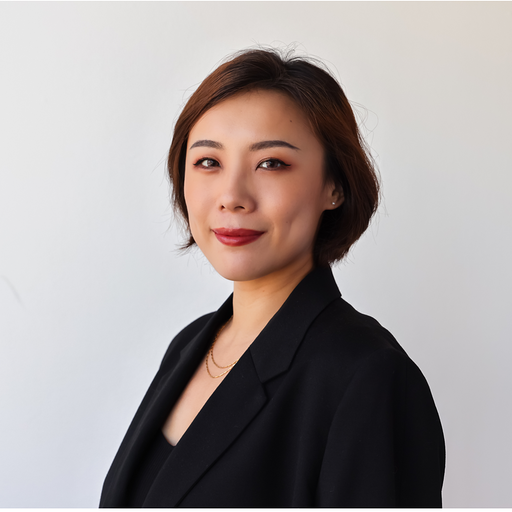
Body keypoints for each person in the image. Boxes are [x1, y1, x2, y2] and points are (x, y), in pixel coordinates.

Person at [99, 47, 445, 507]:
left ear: (335, 186)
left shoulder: (368, 377)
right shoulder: (189, 345)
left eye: (271, 163)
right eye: (208, 162)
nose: (232, 196)